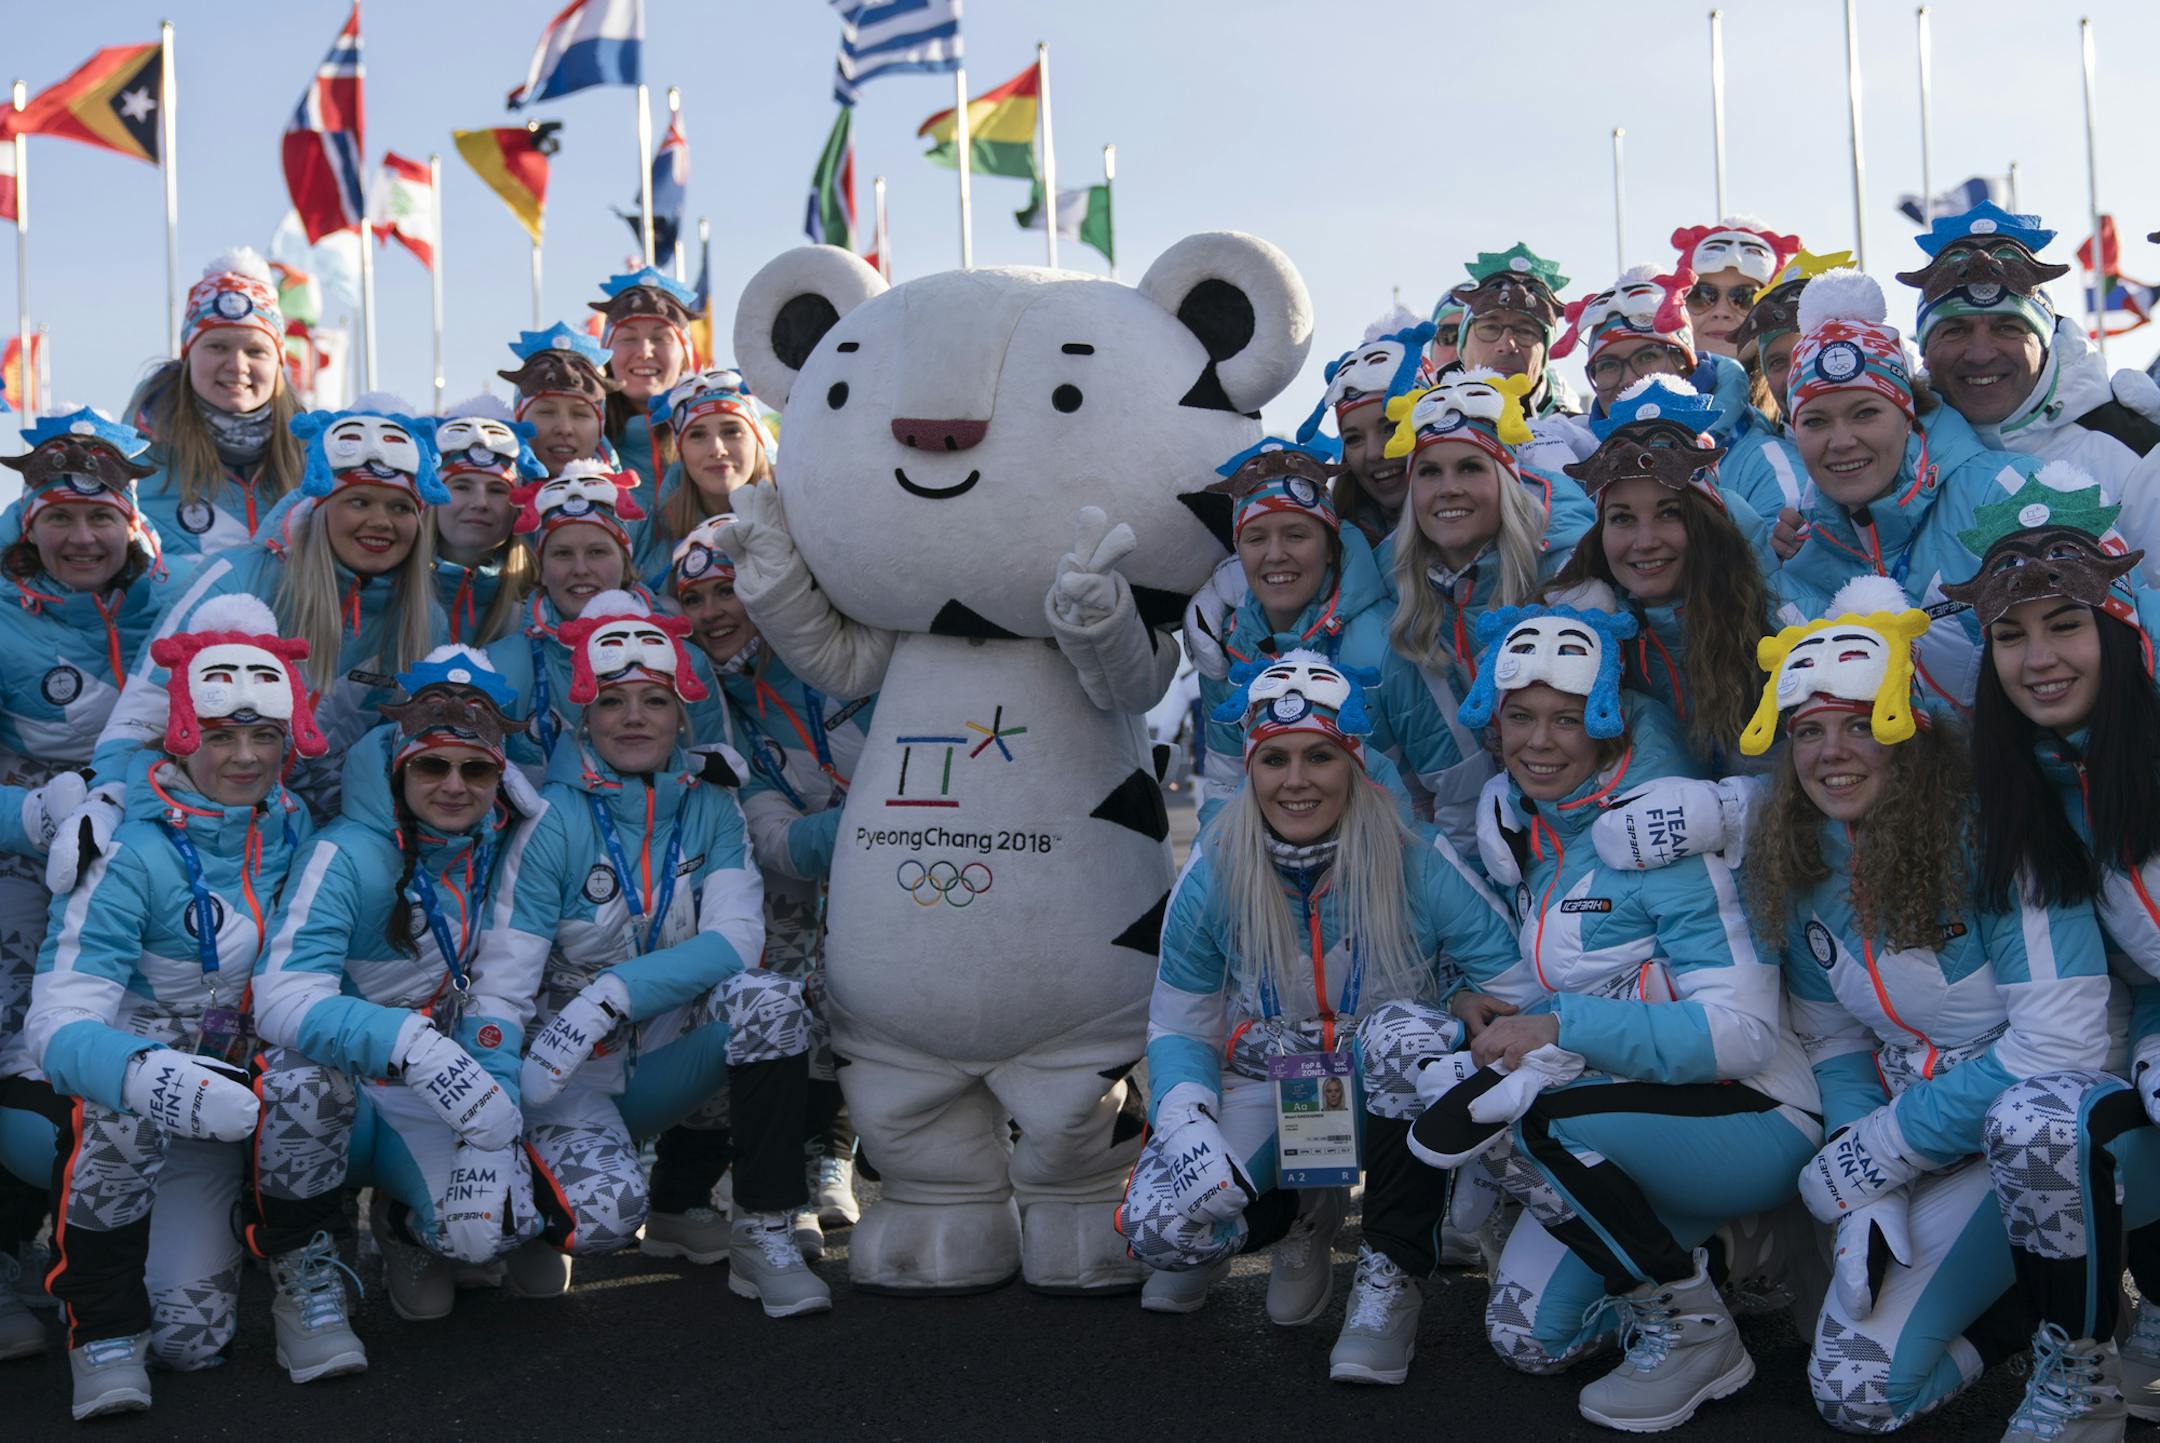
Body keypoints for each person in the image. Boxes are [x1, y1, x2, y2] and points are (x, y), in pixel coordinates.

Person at [1741, 570, 2140, 1439]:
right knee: (1857, 1392)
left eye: (1858, 725)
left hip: (2078, 1136)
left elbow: (2062, 1044)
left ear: (1909, 730)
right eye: (1808, 731)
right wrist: (1863, 1178)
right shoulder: (1802, 855)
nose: (1831, 752)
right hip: (1941, 1147)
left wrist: (1887, 1146)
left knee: (2038, 1125)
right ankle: (2039, 1321)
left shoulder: (1999, 830)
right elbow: (1835, 1034)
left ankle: (2082, 1364)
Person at [1427, 601, 1820, 1432]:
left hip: (1753, 1112)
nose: (1540, 740)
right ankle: (1713, 1253)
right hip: (1631, 1117)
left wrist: (1561, 1025)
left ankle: (1697, 1326)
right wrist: (1472, 1001)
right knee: (1528, 1337)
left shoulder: (1662, 838)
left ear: (1605, 723)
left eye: (1566, 720)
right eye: (1520, 718)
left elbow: (1739, 1033)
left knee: (1540, 1124)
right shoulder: (1537, 828)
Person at [1120, 649, 1519, 1385]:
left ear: (1354, 764)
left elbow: (1518, 990)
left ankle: (1390, 1273)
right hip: (1276, 1081)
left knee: (1409, 1036)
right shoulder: (1212, 868)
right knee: (1161, 1228)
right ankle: (1307, 1211)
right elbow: (1180, 1024)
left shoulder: (1417, 857)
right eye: (1274, 759)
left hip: (1384, 1079)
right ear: (1251, 767)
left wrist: (1460, 1002)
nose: (1295, 780)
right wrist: (1185, 1120)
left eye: (1318, 757)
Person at [18, 594, 345, 1418]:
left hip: (251, 1088)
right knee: (121, 1114)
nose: (243, 757)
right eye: (220, 734)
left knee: (316, 1071)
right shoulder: (123, 840)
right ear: (182, 731)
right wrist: (150, 1073)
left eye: (263, 735)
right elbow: (58, 1022)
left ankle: (300, 1271)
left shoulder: (300, 821)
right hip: (144, 1101)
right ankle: (101, 1328)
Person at [477, 589, 828, 1316]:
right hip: (565, 1069)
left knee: (771, 1002)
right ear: (585, 717)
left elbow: (736, 939)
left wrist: (612, 995)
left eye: (654, 700)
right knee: (604, 1220)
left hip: (661, 1043)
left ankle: (761, 1231)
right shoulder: (548, 819)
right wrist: (492, 1106)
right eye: (613, 701)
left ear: (682, 714)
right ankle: (523, 1216)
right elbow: (503, 982)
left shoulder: (713, 800)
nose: (634, 717)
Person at [247, 648, 547, 1323]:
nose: (453, 785)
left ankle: (404, 1226)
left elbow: (506, 980)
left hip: (432, 1087)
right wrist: (407, 1041)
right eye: (432, 764)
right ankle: (305, 1263)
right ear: (399, 767)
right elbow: (283, 997)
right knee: (296, 1081)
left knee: (493, 1229)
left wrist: (484, 1085)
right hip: (344, 1086)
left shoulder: (497, 842)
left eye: (476, 769)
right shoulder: (345, 850)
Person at [1950, 474, 2160, 1435]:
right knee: (2036, 1120)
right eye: (2008, 634)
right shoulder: (2022, 786)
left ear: (2118, 625)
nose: (2037, 658)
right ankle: (2085, 1371)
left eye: (2064, 624)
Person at [0, 410, 182, 1363]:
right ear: (28, 522)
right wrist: (31, 814)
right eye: (58, 518)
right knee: (22, 1068)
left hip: (144, 863)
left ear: (130, 521)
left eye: (99, 519)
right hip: (23, 867)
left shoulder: (179, 598)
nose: (80, 539)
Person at [652, 515, 875, 1260]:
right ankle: (792, 1162)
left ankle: (837, 1150)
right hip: (830, 862)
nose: (712, 611)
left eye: (729, 590)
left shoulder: (850, 654)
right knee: (785, 977)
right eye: (695, 597)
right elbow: (774, 840)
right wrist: (868, 820)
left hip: (903, 862)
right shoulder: (716, 701)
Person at [85, 400, 449, 826]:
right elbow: (146, 704)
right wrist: (107, 799)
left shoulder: (426, 621)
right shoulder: (240, 574)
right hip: (201, 819)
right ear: (321, 506)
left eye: (401, 508)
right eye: (360, 501)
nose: (381, 522)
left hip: (327, 833)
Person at [1774, 268, 2045, 709]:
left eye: (1865, 413)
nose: (1841, 441)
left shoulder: (2011, 494)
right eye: (1816, 421)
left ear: (1908, 416)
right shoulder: (1798, 556)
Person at [1900, 202, 2160, 584]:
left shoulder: (2131, 449)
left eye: (2008, 327)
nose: (1981, 353)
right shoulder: (1894, 450)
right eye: (1954, 329)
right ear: (1923, 348)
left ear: (2045, 340)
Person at [1549, 377, 1786, 774]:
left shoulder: (1786, 624)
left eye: (1669, 513)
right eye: (1622, 518)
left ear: (1709, 522)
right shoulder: (1586, 637)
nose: (1644, 541)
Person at [1193, 440, 1399, 824]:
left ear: (1330, 548)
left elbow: (1449, 787)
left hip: (1384, 866)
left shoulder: (1384, 641)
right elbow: (1224, 792)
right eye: (1256, 539)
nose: (1274, 554)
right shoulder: (1229, 653)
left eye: (1296, 535)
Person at [483, 461, 727, 774]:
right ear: (541, 569)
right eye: (562, 554)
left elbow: (718, 779)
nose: (581, 568)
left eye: (598, 552)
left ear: (626, 565)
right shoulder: (501, 666)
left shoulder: (686, 662)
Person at [121, 249, 304, 557]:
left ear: (278, 363)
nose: (237, 365)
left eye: (256, 351)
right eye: (218, 346)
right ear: (188, 356)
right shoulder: (134, 463)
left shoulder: (313, 461)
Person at [1720, 248, 1855, 517]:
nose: (1796, 372)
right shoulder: (1763, 451)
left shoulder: (1914, 433)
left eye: (1806, 349)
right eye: (1778, 362)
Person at [1293, 315, 1434, 546]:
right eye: (1354, 438)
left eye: (1390, 428)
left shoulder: (1489, 531)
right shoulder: (1328, 547)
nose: (1373, 453)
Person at [632, 367, 775, 588]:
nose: (717, 449)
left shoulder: (799, 521)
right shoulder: (659, 540)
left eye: (731, 431)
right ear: (682, 452)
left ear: (757, 440)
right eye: (697, 435)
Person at [430, 399, 545, 645]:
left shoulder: (539, 606)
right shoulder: (387, 590)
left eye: (496, 490)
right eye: (462, 487)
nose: (480, 502)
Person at [591, 267, 700, 496]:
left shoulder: (720, 431)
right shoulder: (584, 440)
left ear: (684, 355)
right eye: (628, 338)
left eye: (661, 338)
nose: (644, 352)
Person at [1446, 243, 1582, 417]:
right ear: (1462, 346)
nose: (1507, 345)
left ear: (1545, 354)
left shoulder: (1579, 439)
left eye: (1525, 331)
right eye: (1490, 328)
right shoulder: (1415, 427)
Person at [498, 325, 622, 479]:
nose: (564, 429)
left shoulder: (623, 500)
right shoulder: (483, 496)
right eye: (546, 412)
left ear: (600, 428)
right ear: (519, 418)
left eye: (580, 414)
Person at [1668, 218, 1802, 360]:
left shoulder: (1812, 380)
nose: (1721, 312)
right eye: (1701, 297)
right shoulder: (1647, 380)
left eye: (1745, 298)